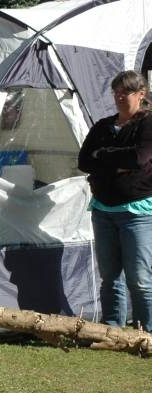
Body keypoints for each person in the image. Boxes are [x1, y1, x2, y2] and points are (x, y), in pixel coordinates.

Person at [78, 70, 152, 332]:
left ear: (141, 94)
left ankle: (147, 333)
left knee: (139, 278)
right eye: (116, 92)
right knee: (110, 277)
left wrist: (103, 155)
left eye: (126, 92)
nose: (119, 97)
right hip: (103, 210)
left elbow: (139, 159)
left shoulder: (147, 124)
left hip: (137, 212)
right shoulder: (103, 126)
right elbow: (84, 161)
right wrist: (116, 163)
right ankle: (111, 329)